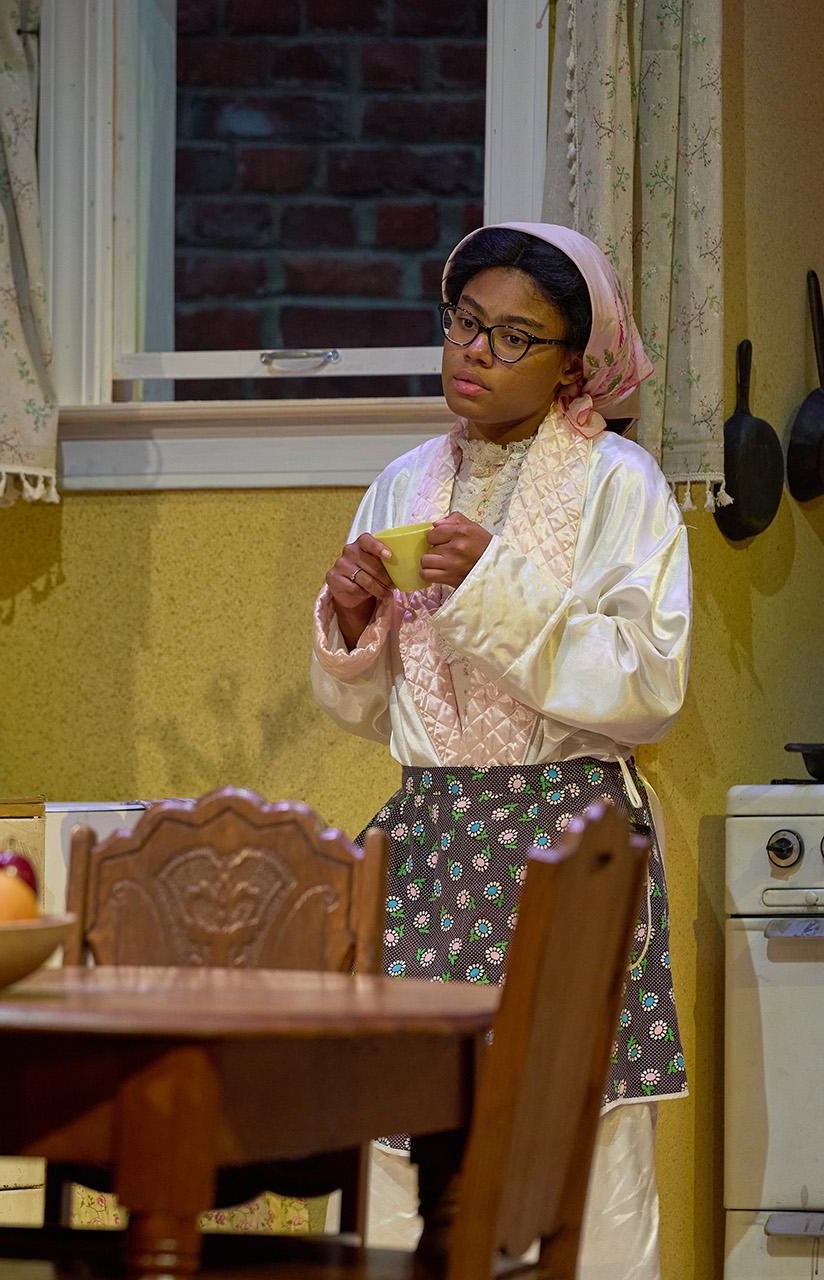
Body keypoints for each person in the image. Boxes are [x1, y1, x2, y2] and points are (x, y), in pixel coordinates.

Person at [310, 223, 689, 1280]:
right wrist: (349, 624)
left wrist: (493, 586)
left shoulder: (622, 484)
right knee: (396, 1124)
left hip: (567, 841)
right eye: (466, 321)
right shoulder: (402, 483)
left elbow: (649, 681)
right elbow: (360, 708)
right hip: (429, 839)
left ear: (575, 361)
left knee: (580, 1128)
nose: (474, 350)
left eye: (513, 335)